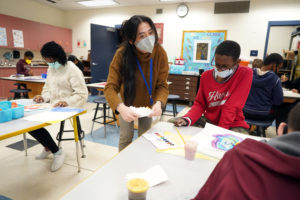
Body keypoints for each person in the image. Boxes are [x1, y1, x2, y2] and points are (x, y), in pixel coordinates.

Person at [193, 102, 300, 200]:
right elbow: (278, 98)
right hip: (263, 115)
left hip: (247, 114)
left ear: (282, 130)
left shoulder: (240, 156)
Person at [104, 15, 169, 151]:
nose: (149, 38)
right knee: (126, 137)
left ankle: (141, 165)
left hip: (148, 102)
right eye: (142, 36)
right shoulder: (121, 54)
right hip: (126, 101)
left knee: (145, 136)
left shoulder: (160, 52)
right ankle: (123, 167)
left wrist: (159, 102)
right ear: (131, 40)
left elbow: (162, 85)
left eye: (150, 33)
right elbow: (110, 87)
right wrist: (120, 108)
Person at [29, 41, 88, 172]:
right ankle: (48, 147)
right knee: (29, 122)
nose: (49, 62)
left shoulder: (71, 68)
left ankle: (57, 152)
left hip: (68, 106)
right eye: (47, 60)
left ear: (58, 56)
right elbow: (47, 88)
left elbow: (82, 94)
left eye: (51, 59)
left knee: (33, 124)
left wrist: (66, 102)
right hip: (53, 105)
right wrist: (42, 97)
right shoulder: (51, 68)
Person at [173, 40, 253, 134]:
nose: (219, 69)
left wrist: (218, 132)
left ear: (237, 62)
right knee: (174, 124)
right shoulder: (206, 76)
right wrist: (187, 119)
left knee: (234, 145)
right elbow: (199, 103)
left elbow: (231, 107)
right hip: (209, 121)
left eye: (225, 66)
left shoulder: (245, 73)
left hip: (233, 123)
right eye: (217, 64)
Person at [243, 53, 283, 122]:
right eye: (279, 67)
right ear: (273, 65)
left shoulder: (249, 73)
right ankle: (263, 129)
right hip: (264, 115)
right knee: (281, 109)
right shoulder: (275, 79)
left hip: (245, 112)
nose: (279, 70)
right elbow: (278, 101)